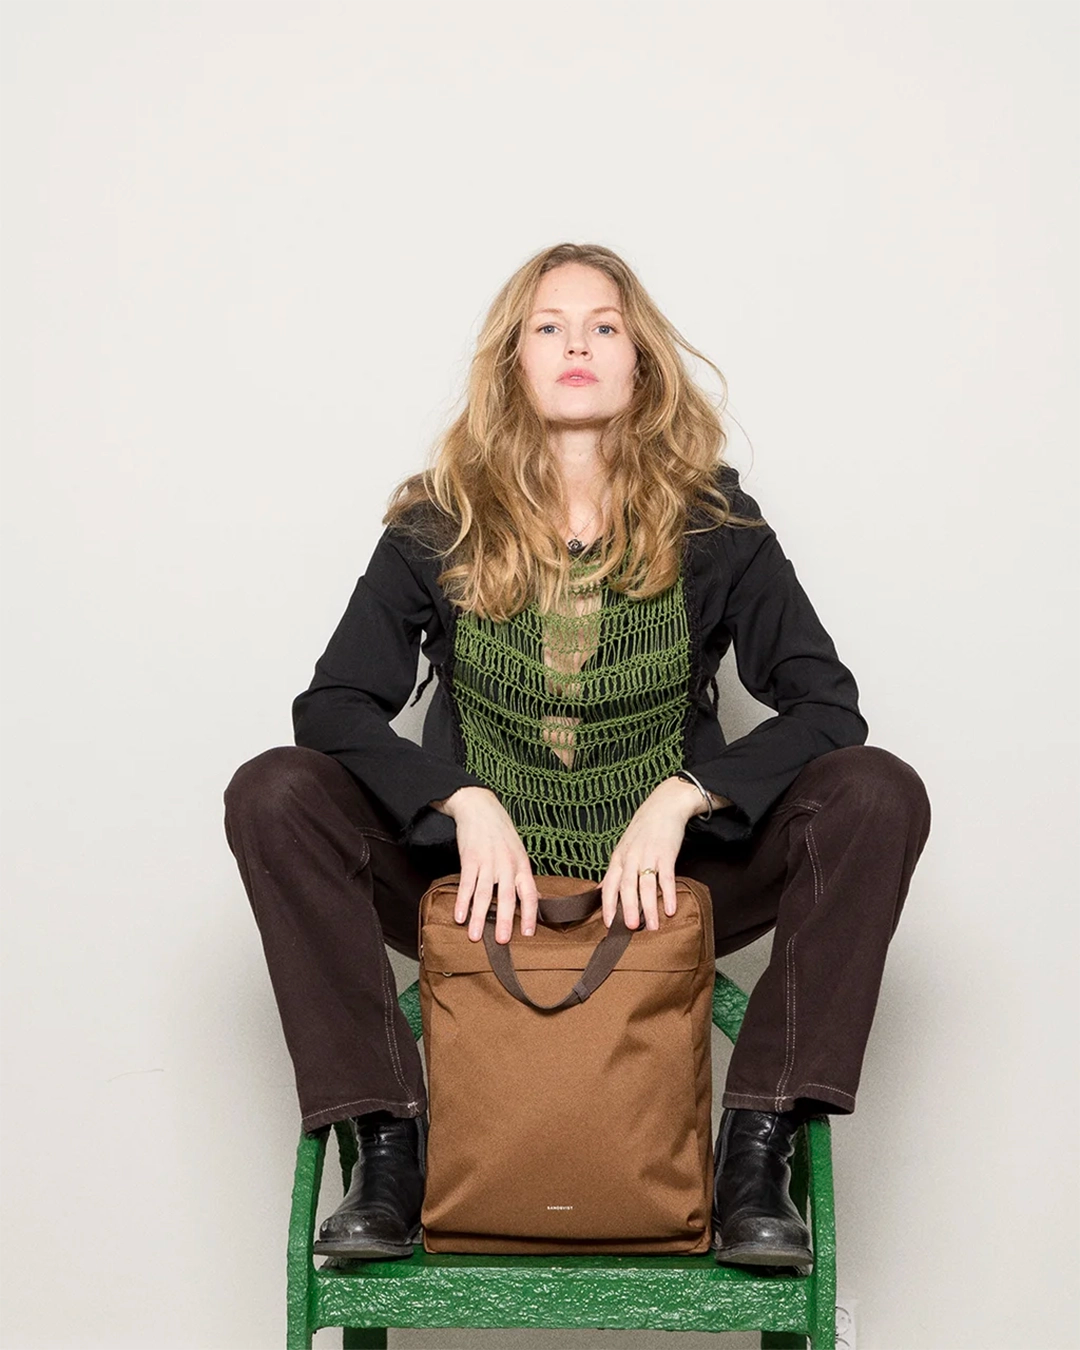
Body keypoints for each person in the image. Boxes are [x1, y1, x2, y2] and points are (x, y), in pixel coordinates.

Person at [223, 242, 931, 1269]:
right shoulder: (439, 520)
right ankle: (384, 1144)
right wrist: (459, 800)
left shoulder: (715, 522)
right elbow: (332, 705)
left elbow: (828, 705)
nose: (577, 346)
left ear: (640, 360)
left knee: (877, 792)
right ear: (513, 360)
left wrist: (687, 796)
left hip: (668, 888)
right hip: (474, 890)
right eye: (549, 327)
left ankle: (758, 1147)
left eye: (604, 327)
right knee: (273, 791)